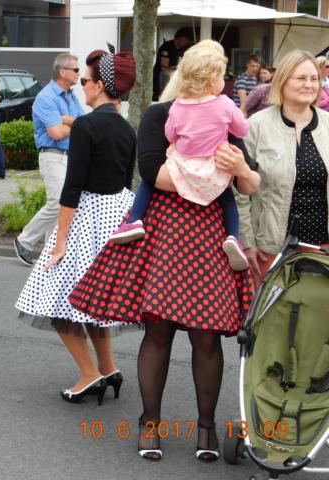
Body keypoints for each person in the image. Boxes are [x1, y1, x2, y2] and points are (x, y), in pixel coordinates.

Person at [68, 40, 260, 462]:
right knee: (159, 331)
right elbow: (153, 173)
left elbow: (250, 183)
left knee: (207, 336)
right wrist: (212, 177)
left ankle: (206, 428)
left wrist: (239, 169)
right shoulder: (161, 113)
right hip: (167, 232)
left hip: (211, 238)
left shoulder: (223, 113)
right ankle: (149, 423)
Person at [16, 46, 137, 405]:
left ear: (99, 86)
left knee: (55, 299)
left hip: (86, 218)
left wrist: (59, 242)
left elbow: (72, 187)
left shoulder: (86, 124)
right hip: (115, 216)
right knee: (94, 301)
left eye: (85, 81)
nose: (83, 86)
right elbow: (127, 182)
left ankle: (89, 374)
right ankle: (108, 367)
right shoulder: (127, 128)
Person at [111, 42, 250, 271]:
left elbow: (169, 135)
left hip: (182, 168)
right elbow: (242, 130)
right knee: (227, 196)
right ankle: (233, 236)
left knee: (147, 182)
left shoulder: (177, 107)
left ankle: (134, 220)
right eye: (222, 76)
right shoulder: (225, 104)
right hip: (214, 170)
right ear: (211, 80)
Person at [238, 49, 329, 284]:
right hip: (271, 248)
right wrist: (247, 242)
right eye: (301, 78)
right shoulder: (257, 126)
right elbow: (239, 191)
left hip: (323, 249)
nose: (309, 85)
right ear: (282, 81)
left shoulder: (328, 125)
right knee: (272, 308)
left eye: (314, 79)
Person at [13, 53, 83, 266]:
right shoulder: (46, 97)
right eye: (76, 70)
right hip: (52, 155)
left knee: (63, 204)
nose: (79, 74)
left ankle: (50, 249)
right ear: (62, 72)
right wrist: (74, 124)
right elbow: (56, 133)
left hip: (69, 156)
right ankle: (24, 240)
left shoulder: (71, 96)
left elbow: (85, 123)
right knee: (59, 202)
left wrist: (68, 120)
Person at [152, 27, 191, 101]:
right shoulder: (167, 46)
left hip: (172, 77)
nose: (186, 42)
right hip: (161, 77)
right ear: (180, 38)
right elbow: (164, 67)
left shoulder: (182, 49)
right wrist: (176, 75)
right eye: (186, 40)